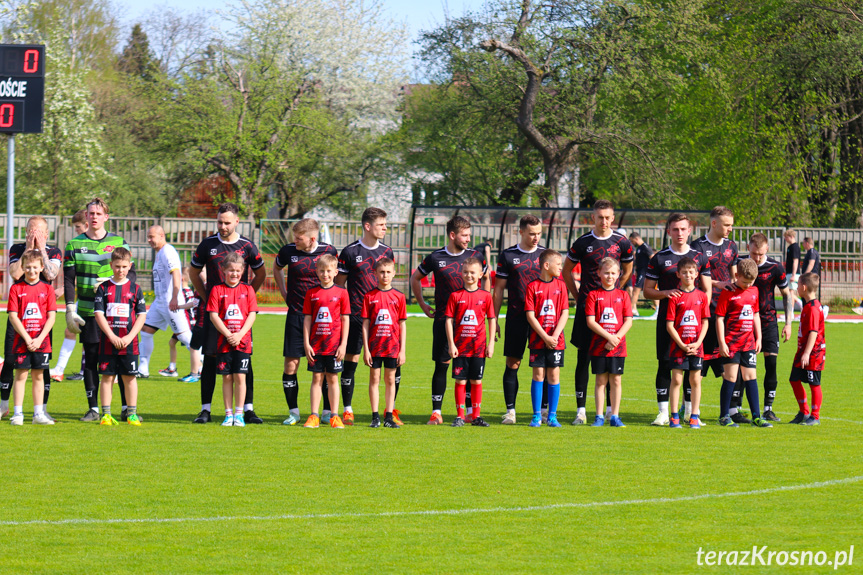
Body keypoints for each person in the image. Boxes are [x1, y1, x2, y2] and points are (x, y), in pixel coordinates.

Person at [189, 203, 266, 424]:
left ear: (237, 222)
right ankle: (205, 410)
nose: (223, 226)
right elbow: (194, 272)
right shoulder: (207, 245)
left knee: (244, 361)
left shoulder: (247, 246)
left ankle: (248, 410)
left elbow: (261, 273)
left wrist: (247, 296)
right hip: (214, 312)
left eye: (227, 222)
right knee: (211, 358)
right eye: (220, 222)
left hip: (240, 316)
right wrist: (205, 296)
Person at [64, 198, 137, 422]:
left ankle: (127, 409)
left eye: (98, 213)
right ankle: (94, 409)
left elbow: (131, 275)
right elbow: (68, 280)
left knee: (122, 360)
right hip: (87, 311)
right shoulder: (73, 245)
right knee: (92, 359)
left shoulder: (119, 242)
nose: (94, 216)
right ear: (85, 216)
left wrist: (109, 279)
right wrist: (69, 309)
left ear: (106, 217)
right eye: (90, 213)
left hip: (118, 312)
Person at [410, 216, 487, 425]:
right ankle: (437, 411)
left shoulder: (476, 256)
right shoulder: (436, 258)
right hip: (445, 321)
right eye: (464, 235)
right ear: (452, 235)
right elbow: (415, 278)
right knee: (442, 365)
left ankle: (470, 412)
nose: (468, 239)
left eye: (469, 235)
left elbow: (486, 279)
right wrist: (423, 304)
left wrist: (484, 304)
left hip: (471, 324)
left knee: (470, 367)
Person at [562, 200, 633, 425]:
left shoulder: (622, 242)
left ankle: (612, 411)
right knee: (583, 358)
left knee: (612, 359)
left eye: (607, 217)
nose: (603, 221)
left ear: (613, 219)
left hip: (612, 311)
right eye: (599, 217)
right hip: (588, 311)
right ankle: (581, 410)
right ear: (593, 217)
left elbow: (628, 267)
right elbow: (566, 270)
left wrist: (617, 289)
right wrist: (577, 295)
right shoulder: (583, 242)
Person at [644, 213, 711, 426]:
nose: (679, 233)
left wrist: (700, 315)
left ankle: (691, 413)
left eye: (683, 229)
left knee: (693, 370)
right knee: (665, 364)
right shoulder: (659, 258)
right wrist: (667, 293)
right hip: (669, 322)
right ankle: (664, 412)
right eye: (675, 229)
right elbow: (647, 291)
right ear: (668, 231)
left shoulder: (699, 257)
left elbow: (706, 290)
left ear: (689, 230)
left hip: (693, 326)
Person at [273, 218, 338, 425]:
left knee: (325, 367)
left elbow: (337, 275)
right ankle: (293, 412)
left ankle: (326, 412)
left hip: (321, 319)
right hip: (296, 315)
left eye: (299, 238)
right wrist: (284, 293)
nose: (295, 241)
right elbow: (276, 269)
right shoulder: (287, 251)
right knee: (291, 365)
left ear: (312, 238)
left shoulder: (329, 251)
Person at [335, 207, 395, 425]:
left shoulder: (387, 252)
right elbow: (339, 287)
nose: (385, 228)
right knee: (350, 362)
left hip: (382, 321)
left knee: (391, 365)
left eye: (385, 225)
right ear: (367, 226)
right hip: (356, 318)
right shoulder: (350, 252)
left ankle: (390, 411)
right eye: (381, 225)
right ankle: (348, 409)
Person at [0, 216, 62, 422]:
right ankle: (5, 406)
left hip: (42, 321)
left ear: (46, 234)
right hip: (20, 316)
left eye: (37, 232)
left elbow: (51, 274)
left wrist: (41, 249)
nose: (32, 235)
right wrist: (28, 249)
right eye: (29, 231)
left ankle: (41, 410)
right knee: (11, 360)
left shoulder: (53, 252)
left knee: (41, 367)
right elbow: (15, 273)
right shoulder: (17, 249)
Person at [734, 233, 792, 422]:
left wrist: (788, 323)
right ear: (748, 249)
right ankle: (738, 407)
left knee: (771, 364)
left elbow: (786, 294)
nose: (756, 258)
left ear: (766, 249)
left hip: (768, 321)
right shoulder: (741, 264)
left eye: (759, 254)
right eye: (753, 253)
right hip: (744, 321)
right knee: (744, 365)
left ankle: (768, 408)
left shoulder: (775, 267)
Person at [494, 214, 544, 424]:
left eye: (539, 233)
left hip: (542, 321)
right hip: (516, 318)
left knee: (542, 367)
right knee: (513, 363)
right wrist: (493, 319)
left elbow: (556, 289)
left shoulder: (545, 255)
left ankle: (543, 412)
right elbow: (498, 290)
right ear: (521, 232)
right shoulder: (508, 255)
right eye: (532, 233)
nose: (536, 237)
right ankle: (510, 411)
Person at [692, 206, 738, 421]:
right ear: (714, 223)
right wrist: (718, 284)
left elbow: (734, 277)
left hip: (727, 314)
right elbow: (693, 276)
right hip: (704, 313)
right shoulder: (698, 246)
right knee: (697, 364)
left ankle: (731, 411)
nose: (730, 228)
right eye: (727, 224)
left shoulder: (732, 246)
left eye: (731, 224)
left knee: (731, 361)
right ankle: (689, 409)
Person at [93, 247, 147, 426]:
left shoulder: (135, 289)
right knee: (107, 378)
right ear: (111, 265)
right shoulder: (103, 288)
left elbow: (141, 315)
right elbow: (99, 314)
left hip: (129, 343)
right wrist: (111, 336)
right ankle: (106, 415)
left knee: (130, 378)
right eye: (117, 266)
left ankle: (132, 413)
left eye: (124, 266)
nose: (121, 270)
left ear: (130, 266)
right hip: (108, 343)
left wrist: (130, 337)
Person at [715, 258, 771, 428]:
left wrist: (759, 337)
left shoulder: (754, 291)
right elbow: (719, 318)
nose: (747, 285)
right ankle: (724, 416)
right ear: (736, 275)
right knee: (731, 377)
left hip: (748, 343)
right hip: (731, 343)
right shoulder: (728, 292)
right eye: (744, 282)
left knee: (751, 377)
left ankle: (757, 416)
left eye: (751, 282)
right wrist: (722, 343)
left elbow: (755, 315)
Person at [207, 253, 258, 427]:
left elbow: (252, 314)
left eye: (237, 271)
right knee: (227, 378)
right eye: (230, 270)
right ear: (223, 271)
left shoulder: (248, 289)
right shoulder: (217, 290)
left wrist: (239, 334)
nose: (234, 274)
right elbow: (213, 315)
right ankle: (228, 415)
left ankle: (239, 414)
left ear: (243, 271)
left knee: (240, 377)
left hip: (243, 342)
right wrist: (228, 334)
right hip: (224, 343)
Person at [6, 250, 57, 425]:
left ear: (42, 267)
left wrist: (40, 338)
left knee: (38, 376)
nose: (31, 271)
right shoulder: (16, 288)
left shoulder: (48, 289)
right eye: (27, 267)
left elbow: (51, 317)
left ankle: (38, 414)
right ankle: (17, 414)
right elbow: (13, 316)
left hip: (41, 342)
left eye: (35, 267)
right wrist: (27, 338)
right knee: (20, 375)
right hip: (22, 341)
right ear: (22, 267)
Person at [444, 257, 496, 427]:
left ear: (480, 274)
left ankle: (476, 416)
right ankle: (460, 416)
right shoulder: (455, 296)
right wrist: (451, 344)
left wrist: (491, 344)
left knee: (476, 381)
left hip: (478, 347)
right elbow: (449, 321)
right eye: (466, 272)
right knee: (460, 381)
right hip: (460, 348)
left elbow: (491, 319)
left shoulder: (486, 296)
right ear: (461, 273)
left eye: (473, 272)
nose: (469, 275)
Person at [137, 226, 193, 379]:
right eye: (148, 237)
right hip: (159, 302)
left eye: (151, 237)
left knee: (184, 337)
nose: (149, 240)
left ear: (161, 236)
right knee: (145, 331)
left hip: (170, 302)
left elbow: (176, 273)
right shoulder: (160, 253)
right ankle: (142, 369)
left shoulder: (168, 251)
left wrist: (175, 297)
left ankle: (202, 364)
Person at [302, 254, 350, 429]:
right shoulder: (311, 293)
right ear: (316, 272)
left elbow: (345, 319)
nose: (325, 274)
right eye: (322, 270)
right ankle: (314, 415)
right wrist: (306, 343)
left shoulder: (342, 293)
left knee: (332, 379)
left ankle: (334, 416)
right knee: (316, 378)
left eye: (329, 271)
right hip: (316, 345)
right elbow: (307, 319)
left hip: (334, 346)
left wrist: (343, 344)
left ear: (336, 272)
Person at [585, 258, 632, 428]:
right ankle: (598, 416)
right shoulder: (593, 295)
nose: (609, 276)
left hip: (618, 348)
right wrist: (608, 337)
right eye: (606, 272)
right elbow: (591, 321)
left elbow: (628, 321)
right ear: (599, 273)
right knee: (600, 381)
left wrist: (615, 338)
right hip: (599, 347)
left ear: (619, 274)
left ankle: (615, 416)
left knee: (616, 381)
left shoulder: (623, 295)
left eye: (613, 273)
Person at [524, 250, 569, 428]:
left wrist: (555, 335)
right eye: (558, 264)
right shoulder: (532, 286)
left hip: (556, 340)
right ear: (546, 265)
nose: (561, 267)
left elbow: (565, 312)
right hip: (538, 339)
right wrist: (544, 336)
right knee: (538, 374)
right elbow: (530, 315)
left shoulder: (561, 286)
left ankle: (552, 416)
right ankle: (536, 416)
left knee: (553, 375)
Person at [361, 257, 407, 428]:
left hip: (392, 346)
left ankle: (389, 416)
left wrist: (402, 350)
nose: (385, 275)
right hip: (374, 347)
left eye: (388, 272)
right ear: (375, 273)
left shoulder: (399, 297)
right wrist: (366, 349)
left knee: (390, 379)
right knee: (374, 379)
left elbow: (402, 324)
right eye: (381, 272)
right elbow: (365, 325)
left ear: (394, 273)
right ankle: (375, 417)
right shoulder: (369, 296)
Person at [665, 257, 710, 429]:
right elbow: (669, 325)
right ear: (678, 274)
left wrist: (698, 342)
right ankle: (674, 416)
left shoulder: (701, 296)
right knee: (676, 380)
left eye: (691, 272)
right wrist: (681, 345)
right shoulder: (675, 296)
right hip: (679, 347)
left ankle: (694, 416)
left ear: (697, 274)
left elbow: (705, 322)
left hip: (696, 347)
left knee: (695, 380)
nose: (688, 275)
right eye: (684, 272)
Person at [51, 209, 88, 382]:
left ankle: (114, 372)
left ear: (87, 225)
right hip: (83, 298)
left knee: (92, 336)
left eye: (78, 227)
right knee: (71, 330)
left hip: (99, 299)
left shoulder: (103, 244)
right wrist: (64, 289)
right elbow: (75, 275)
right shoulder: (78, 245)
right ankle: (60, 370)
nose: (76, 231)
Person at [788, 273, 826, 426]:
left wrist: (806, 353)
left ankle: (815, 416)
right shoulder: (807, 306)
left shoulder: (813, 308)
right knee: (794, 379)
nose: (796, 288)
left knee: (814, 383)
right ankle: (804, 412)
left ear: (804, 287)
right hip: (803, 351)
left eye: (798, 285)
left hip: (813, 353)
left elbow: (813, 332)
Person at [160, 267, 202, 380]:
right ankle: (172, 368)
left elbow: (192, 306)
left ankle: (199, 368)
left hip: (186, 324)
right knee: (172, 342)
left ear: (181, 279)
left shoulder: (183, 293)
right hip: (186, 323)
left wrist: (178, 307)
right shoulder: (189, 291)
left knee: (193, 347)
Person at [628, 231, 655, 316]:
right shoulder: (639, 248)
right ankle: (635, 309)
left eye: (632, 241)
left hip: (644, 272)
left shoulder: (645, 247)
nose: (632, 243)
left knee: (636, 291)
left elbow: (653, 258)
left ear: (636, 238)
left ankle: (631, 310)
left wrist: (651, 270)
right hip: (640, 272)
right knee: (649, 291)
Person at [784, 229, 801, 318]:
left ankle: (791, 313)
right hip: (789, 272)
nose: (785, 239)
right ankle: (799, 304)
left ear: (791, 237)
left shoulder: (795, 247)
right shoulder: (790, 247)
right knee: (790, 293)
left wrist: (794, 274)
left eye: (786, 237)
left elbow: (795, 261)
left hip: (792, 273)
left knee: (790, 293)